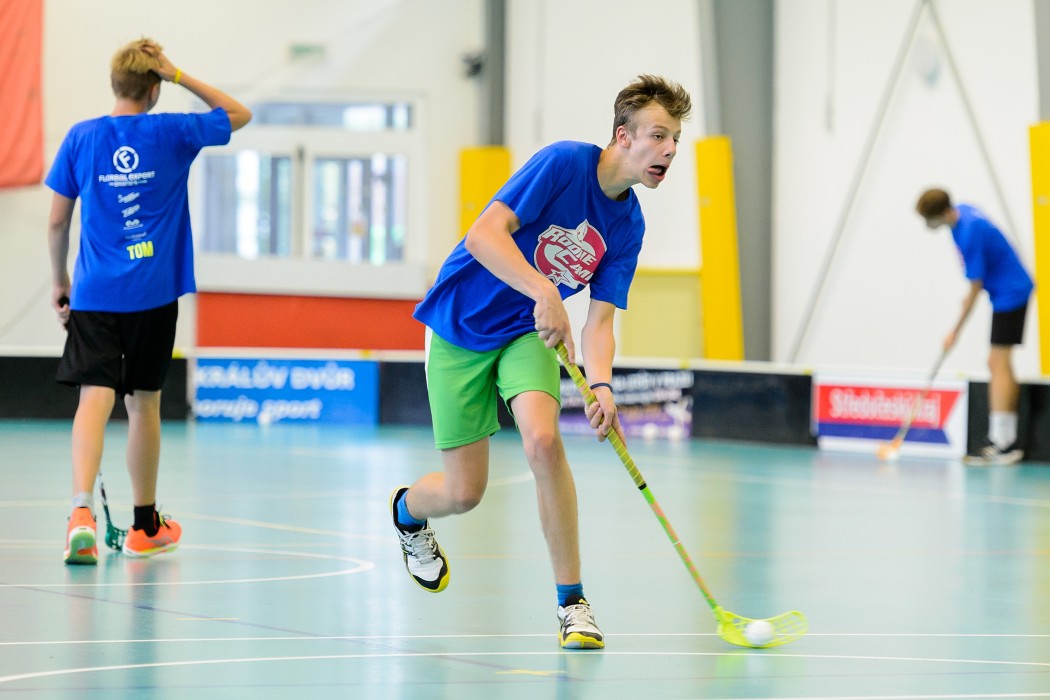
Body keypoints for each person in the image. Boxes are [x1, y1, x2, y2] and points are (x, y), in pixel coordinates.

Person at [389, 75, 692, 649]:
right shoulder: (562, 165)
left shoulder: (628, 225)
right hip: (458, 328)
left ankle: (572, 603)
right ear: (623, 136)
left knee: (543, 442)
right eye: (660, 135)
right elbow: (484, 235)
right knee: (463, 493)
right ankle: (407, 511)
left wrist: (602, 385)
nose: (670, 151)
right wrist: (545, 292)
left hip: (527, 334)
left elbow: (600, 321)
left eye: (676, 139)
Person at [47, 38, 251, 564]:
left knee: (95, 397)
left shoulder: (81, 137)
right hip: (153, 296)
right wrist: (181, 73)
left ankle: (79, 513)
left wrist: (59, 280)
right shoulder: (173, 130)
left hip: (93, 294)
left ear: (115, 85)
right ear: (154, 89)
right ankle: (143, 527)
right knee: (144, 405)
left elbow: (56, 220)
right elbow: (238, 113)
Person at [915, 188, 1034, 465]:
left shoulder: (968, 233)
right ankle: (1001, 438)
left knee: (998, 361)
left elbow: (975, 287)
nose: (929, 226)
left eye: (930, 220)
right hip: (1005, 292)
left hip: (1011, 293)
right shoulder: (964, 213)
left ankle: (1004, 442)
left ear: (942, 214)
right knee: (996, 361)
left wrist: (954, 331)